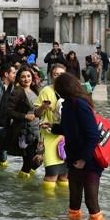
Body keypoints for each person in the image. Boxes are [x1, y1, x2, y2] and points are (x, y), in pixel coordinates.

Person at [50, 72, 104, 220]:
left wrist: (83, 159)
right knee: (74, 201)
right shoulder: (67, 104)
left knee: (91, 202)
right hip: (73, 159)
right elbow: (71, 129)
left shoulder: (79, 104)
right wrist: (54, 128)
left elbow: (93, 135)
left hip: (90, 161)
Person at [33, 64, 69, 194]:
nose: (59, 77)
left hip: (66, 136)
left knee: (65, 175)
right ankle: (48, 206)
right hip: (49, 136)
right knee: (52, 173)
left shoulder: (70, 91)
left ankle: (64, 204)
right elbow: (36, 113)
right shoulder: (46, 91)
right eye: (56, 74)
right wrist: (43, 107)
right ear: (51, 76)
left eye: (61, 74)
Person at [6, 66, 41, 178]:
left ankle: (25, 180)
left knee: (39, 160)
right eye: (23, 77)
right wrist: (24, 116)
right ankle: (22, 186)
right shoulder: (18, 92)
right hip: (26, 132)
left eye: (28, 76)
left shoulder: (35, 90)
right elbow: (8, 111)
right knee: (29, 162)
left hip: (38, 131)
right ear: (19, 79)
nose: (26, 79)